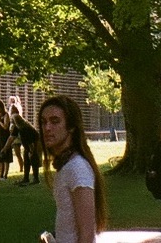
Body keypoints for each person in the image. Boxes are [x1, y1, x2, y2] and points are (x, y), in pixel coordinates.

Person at [38, 95, 107, 243]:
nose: (47, 128)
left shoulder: (77, 168)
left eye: (55, 121)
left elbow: (87, 235)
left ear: (71, 127)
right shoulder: (65, 166)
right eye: (43, 122)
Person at [7, 102, 41, 185]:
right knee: (26, 158)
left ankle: (36, 179)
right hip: (30, 142)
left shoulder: (23, 128)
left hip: (35, 141)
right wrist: (5, 149)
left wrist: (32, 151)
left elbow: (30, 142)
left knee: (33, 158)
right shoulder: (17, 126)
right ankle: (26, 178)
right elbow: (11, 137)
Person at [0, 99, 14, 180]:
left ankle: (5, 175)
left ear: (1, 107)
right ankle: (0, 174)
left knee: (5, 156)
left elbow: (6, 126)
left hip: (5, 137)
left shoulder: (6, 115)